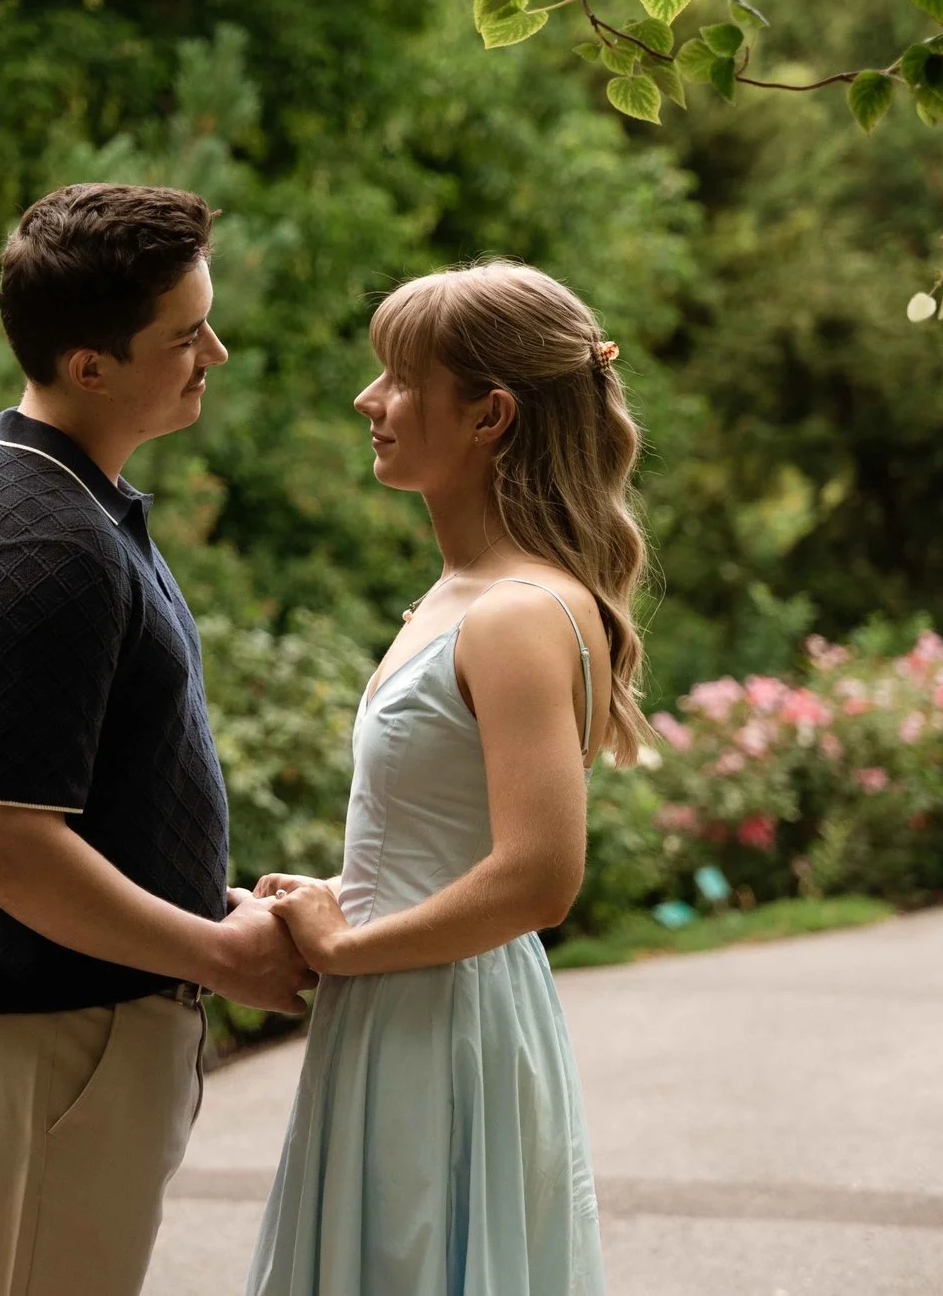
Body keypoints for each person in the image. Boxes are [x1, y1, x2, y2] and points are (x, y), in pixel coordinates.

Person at [0, 183, 314, 1296]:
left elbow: (86, 794)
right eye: (184, 335)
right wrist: (220, 953)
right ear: (91, 365)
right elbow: (3, 847)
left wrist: (208, 902)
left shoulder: (77, 504)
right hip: (44, 1052)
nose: (213, 351)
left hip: (74, 1044)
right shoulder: (44, 546)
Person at [245, 260, 648, 1296]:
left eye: (398, 377)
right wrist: (340, 897)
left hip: (438, 1020)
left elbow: (538, 877)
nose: (365, 399)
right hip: (401, 999)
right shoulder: (460, 592)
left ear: (489, 415)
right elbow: (436, 833)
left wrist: (350, 941)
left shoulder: (515, 610)